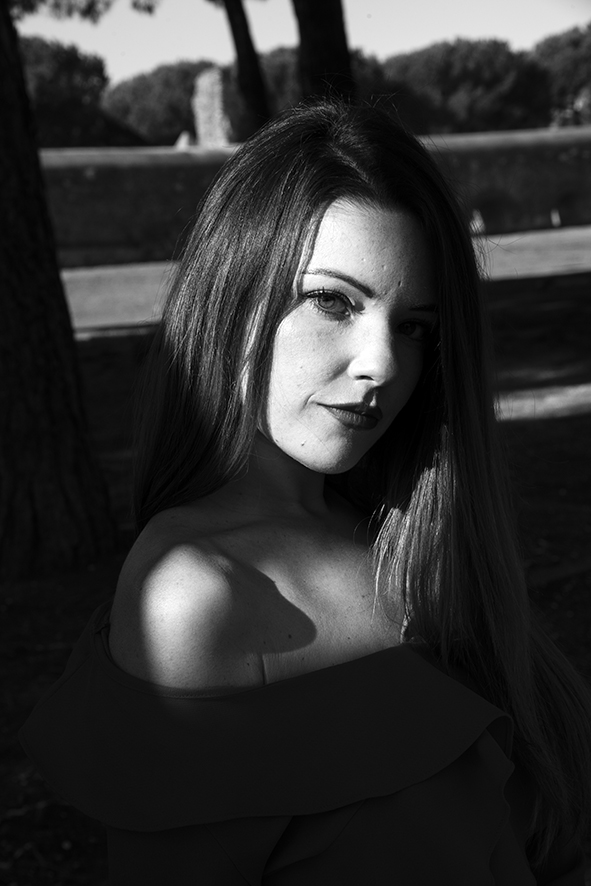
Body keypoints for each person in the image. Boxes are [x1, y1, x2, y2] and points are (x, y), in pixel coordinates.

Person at [20, 100, 591, 884]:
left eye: (414, 327)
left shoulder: (413, 534)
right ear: (233, 292)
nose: (382, 364)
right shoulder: (197, 595)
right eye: (332, 301)